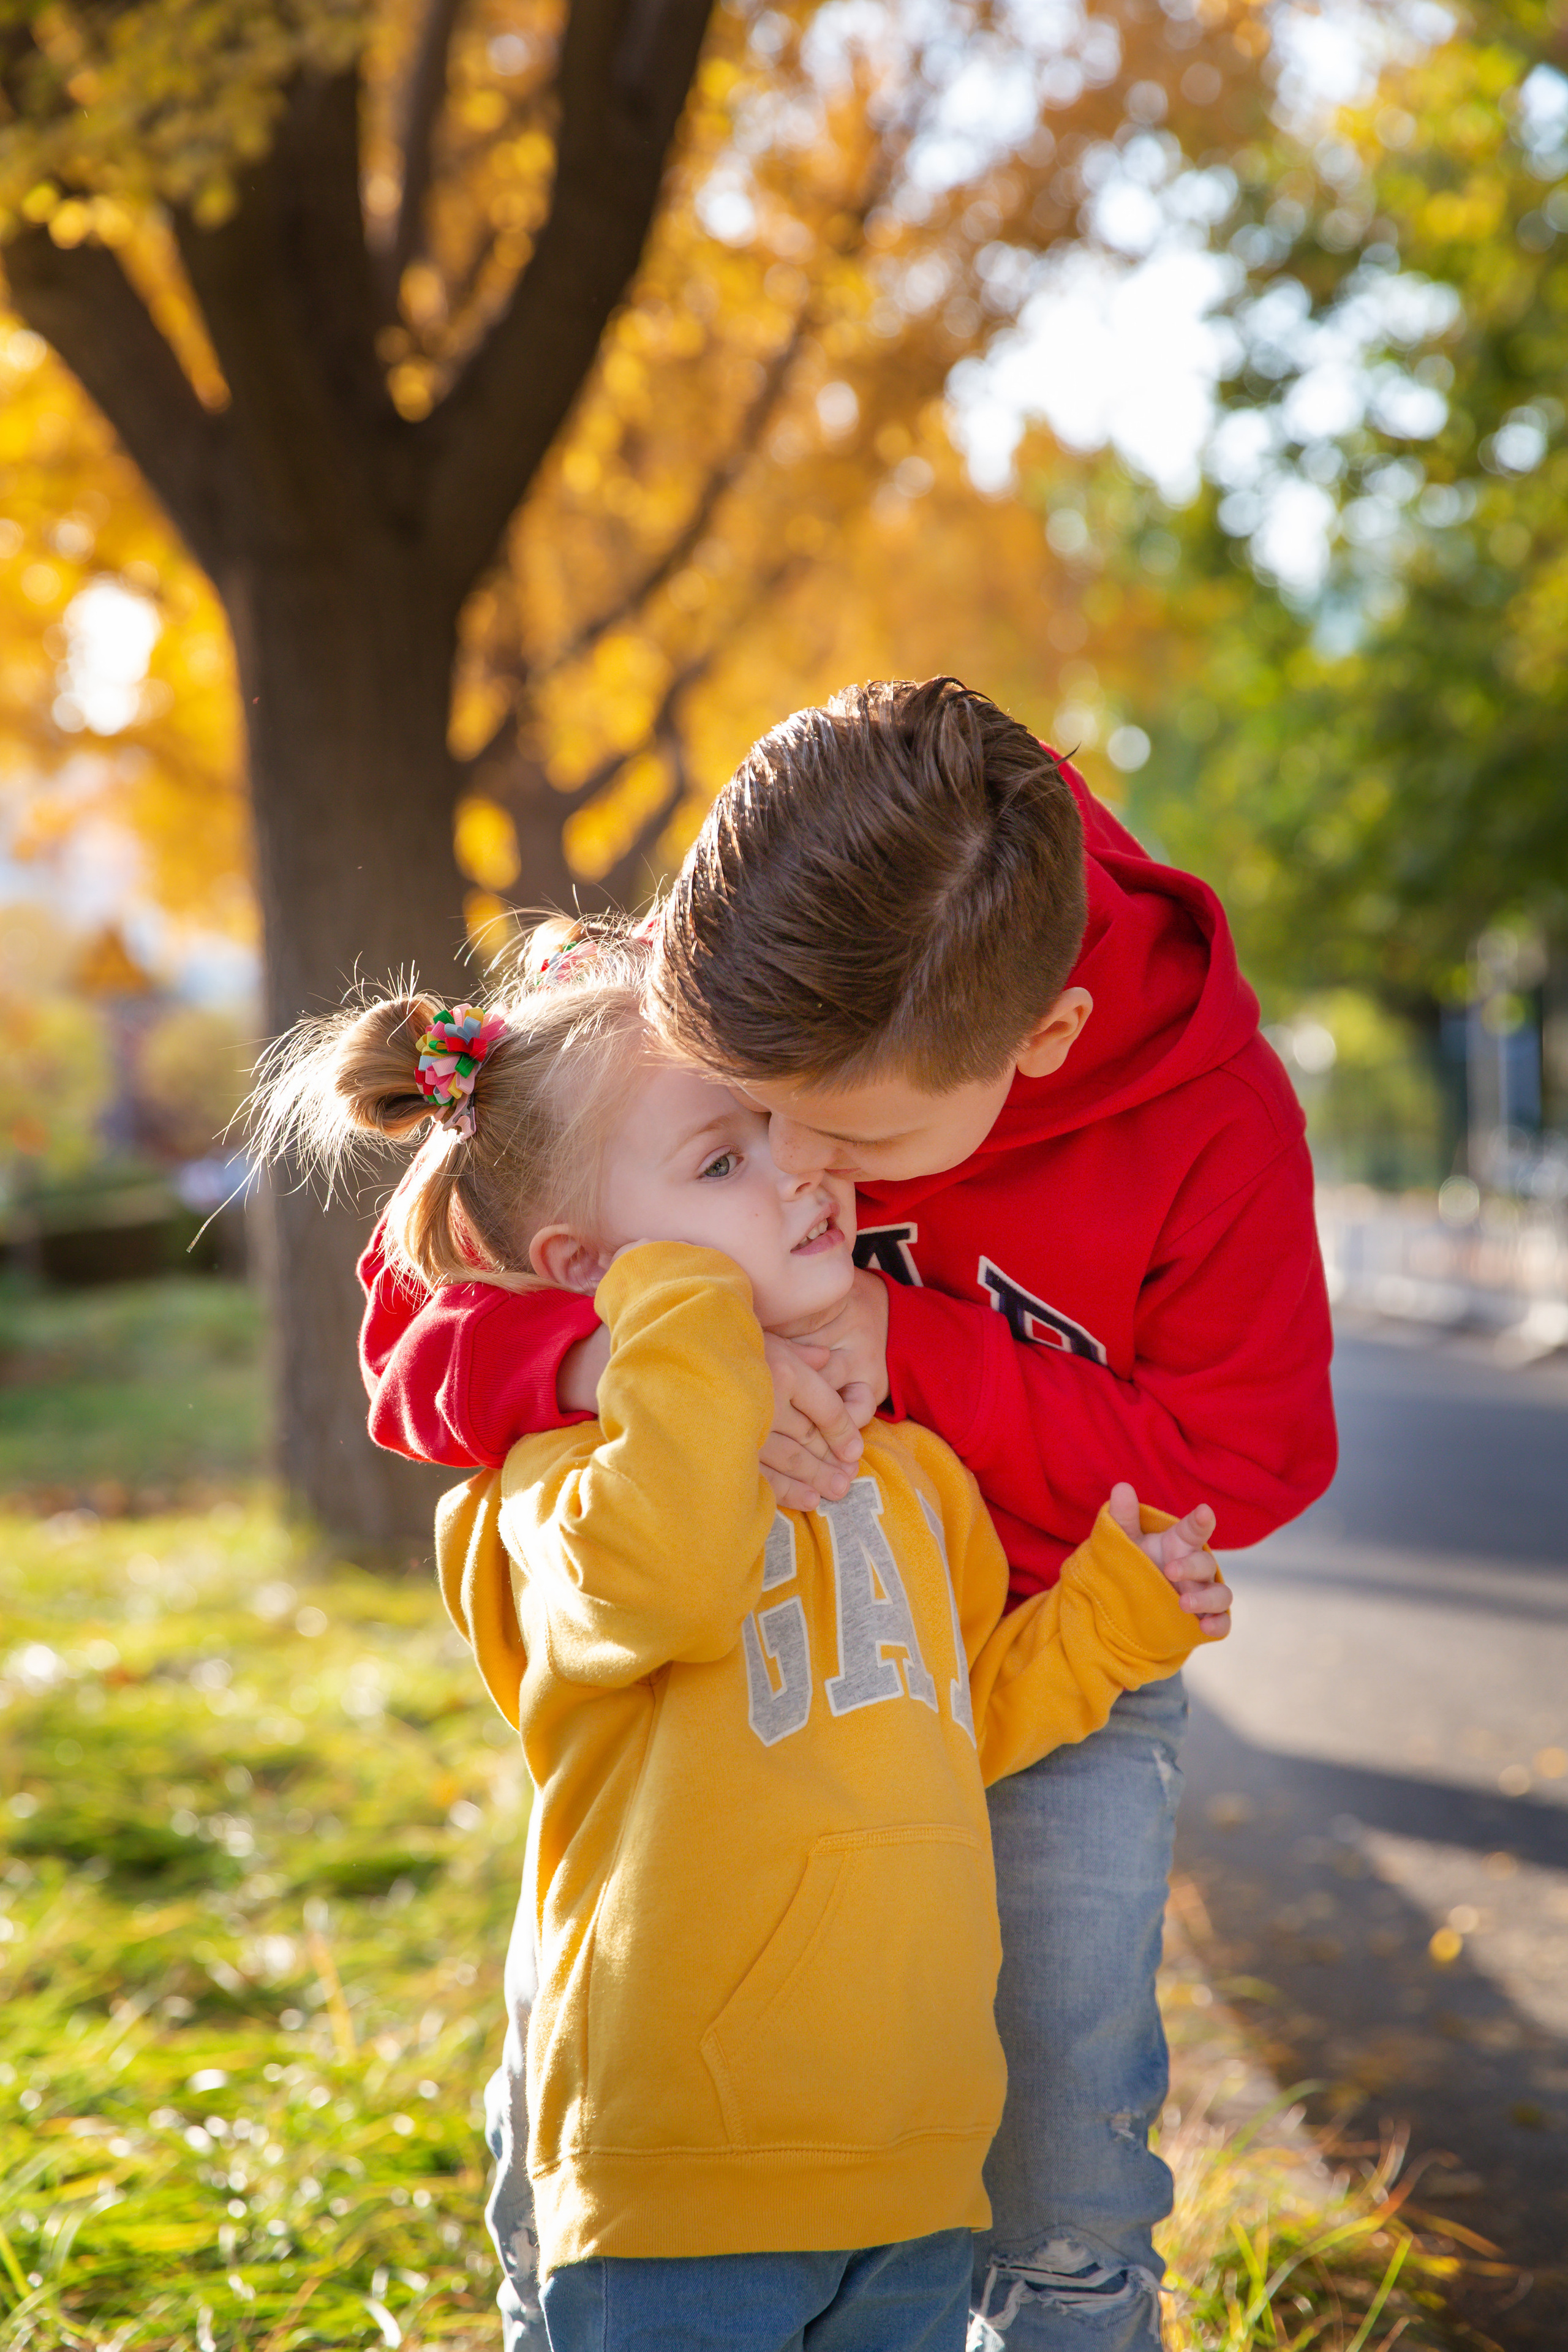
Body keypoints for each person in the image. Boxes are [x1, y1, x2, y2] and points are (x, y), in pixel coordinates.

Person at [361, 679, 1336, 2348]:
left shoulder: (1210, 1121)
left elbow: (1243, 1457)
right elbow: (428, 1301)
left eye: (852, 1125)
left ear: (1037, 1049)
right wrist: (606, 1354)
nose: (803, 1163)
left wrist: (914, 1348)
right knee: (598, 2105)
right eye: (742, 1108)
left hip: (1032, 1645)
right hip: (715, 1660)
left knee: (1057, 2139)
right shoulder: (752, 963)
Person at [255, 924, 1234, 2352]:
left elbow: (965, 1723)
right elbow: (661, 1581)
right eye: (720, 1162)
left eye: (781, 1132)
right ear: (587, 1263)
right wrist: (674, 1318)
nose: (798, 1172)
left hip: (906, 2156)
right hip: (680, 2176)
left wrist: (1108, 1620)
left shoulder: (908, 1473)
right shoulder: (544, 1491)